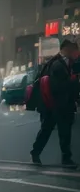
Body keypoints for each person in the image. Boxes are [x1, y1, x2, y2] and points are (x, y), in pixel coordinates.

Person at [30, 37, 79, 169]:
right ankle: (63, 157)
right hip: (57, 105)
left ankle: (38, 152)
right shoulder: (58, 65)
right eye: (74, 49)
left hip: (56, 105)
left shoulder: (63, 62)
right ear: (67, 49)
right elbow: (59, 86)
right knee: (59, 131)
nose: (76, 52)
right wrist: (74, 81)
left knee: (52, 130)